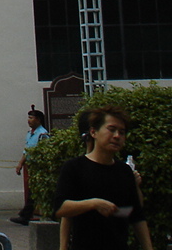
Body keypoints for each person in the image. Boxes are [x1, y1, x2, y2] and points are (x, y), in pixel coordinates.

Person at [54, 106, 152, 250]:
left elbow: (136, 215)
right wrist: (93, 204)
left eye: (122, 132)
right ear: (93, 132)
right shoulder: (74, 167)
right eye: (111, 129)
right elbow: (60, 208)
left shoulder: (124, 171)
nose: (117, 136)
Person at [10, 107, 49, 225]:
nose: (29, 120)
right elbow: (26, 151)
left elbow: (45, 151)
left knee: (35, 192)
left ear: (38, 120)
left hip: (39, 167)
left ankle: (26, 215)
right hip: (31, 166)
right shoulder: (30, 134)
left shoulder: (42, 135)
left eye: (31, 118)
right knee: (33, 191)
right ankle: (26, 214)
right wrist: (20, 164)